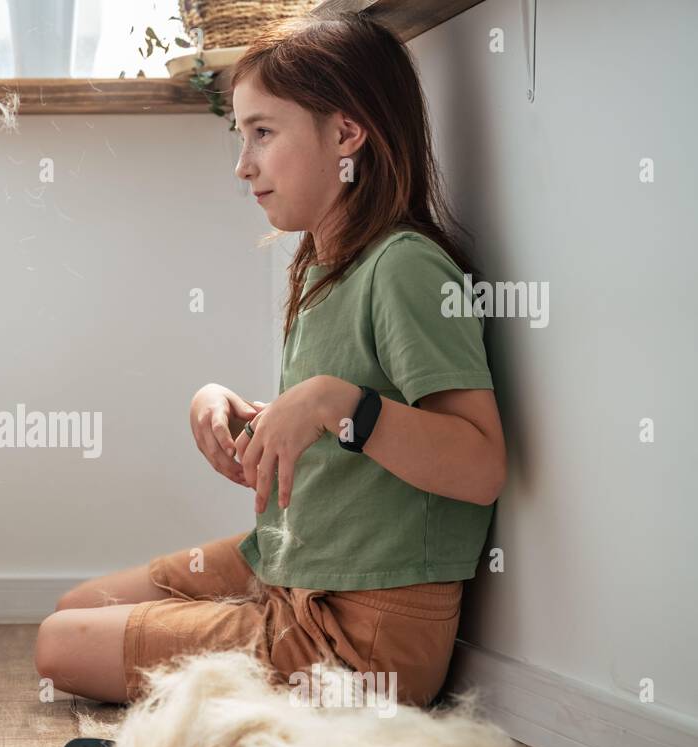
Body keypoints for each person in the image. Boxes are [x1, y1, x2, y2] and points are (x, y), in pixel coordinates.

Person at [35, 11, 506, 708]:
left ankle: (261, 640)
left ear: (346, 134)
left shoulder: (404, 268)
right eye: (240, 134)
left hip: (360, 633)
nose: (242, 164)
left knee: (60, 644)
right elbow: (348, 434)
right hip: (295, 561)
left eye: (263, 132)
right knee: (80, 603)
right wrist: (250, 416)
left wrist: (330, 402)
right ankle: (248, 623)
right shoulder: (326, 266)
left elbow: (479, 465)